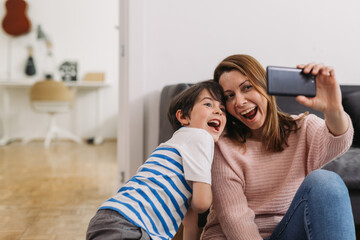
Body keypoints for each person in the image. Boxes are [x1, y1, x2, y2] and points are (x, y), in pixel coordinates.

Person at [201, 55, 355, 240]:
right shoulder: (222, 145)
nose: (239, 101)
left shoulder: (303, 128)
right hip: (233, 236)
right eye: (230, 96)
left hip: (287, 232)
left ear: (264, 86)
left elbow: (339, 141)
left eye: (247, 87)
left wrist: (333, 108)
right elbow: (235, 219)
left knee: (325, 181)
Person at [86, 80, 226, 240]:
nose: (218, 111)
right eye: (208, 104)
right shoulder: (201, 137)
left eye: (222, 108)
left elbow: (190, 224)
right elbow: (202, 203)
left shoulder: (174, 146)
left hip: (112, 217)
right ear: (183, 117)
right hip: (132, 225)